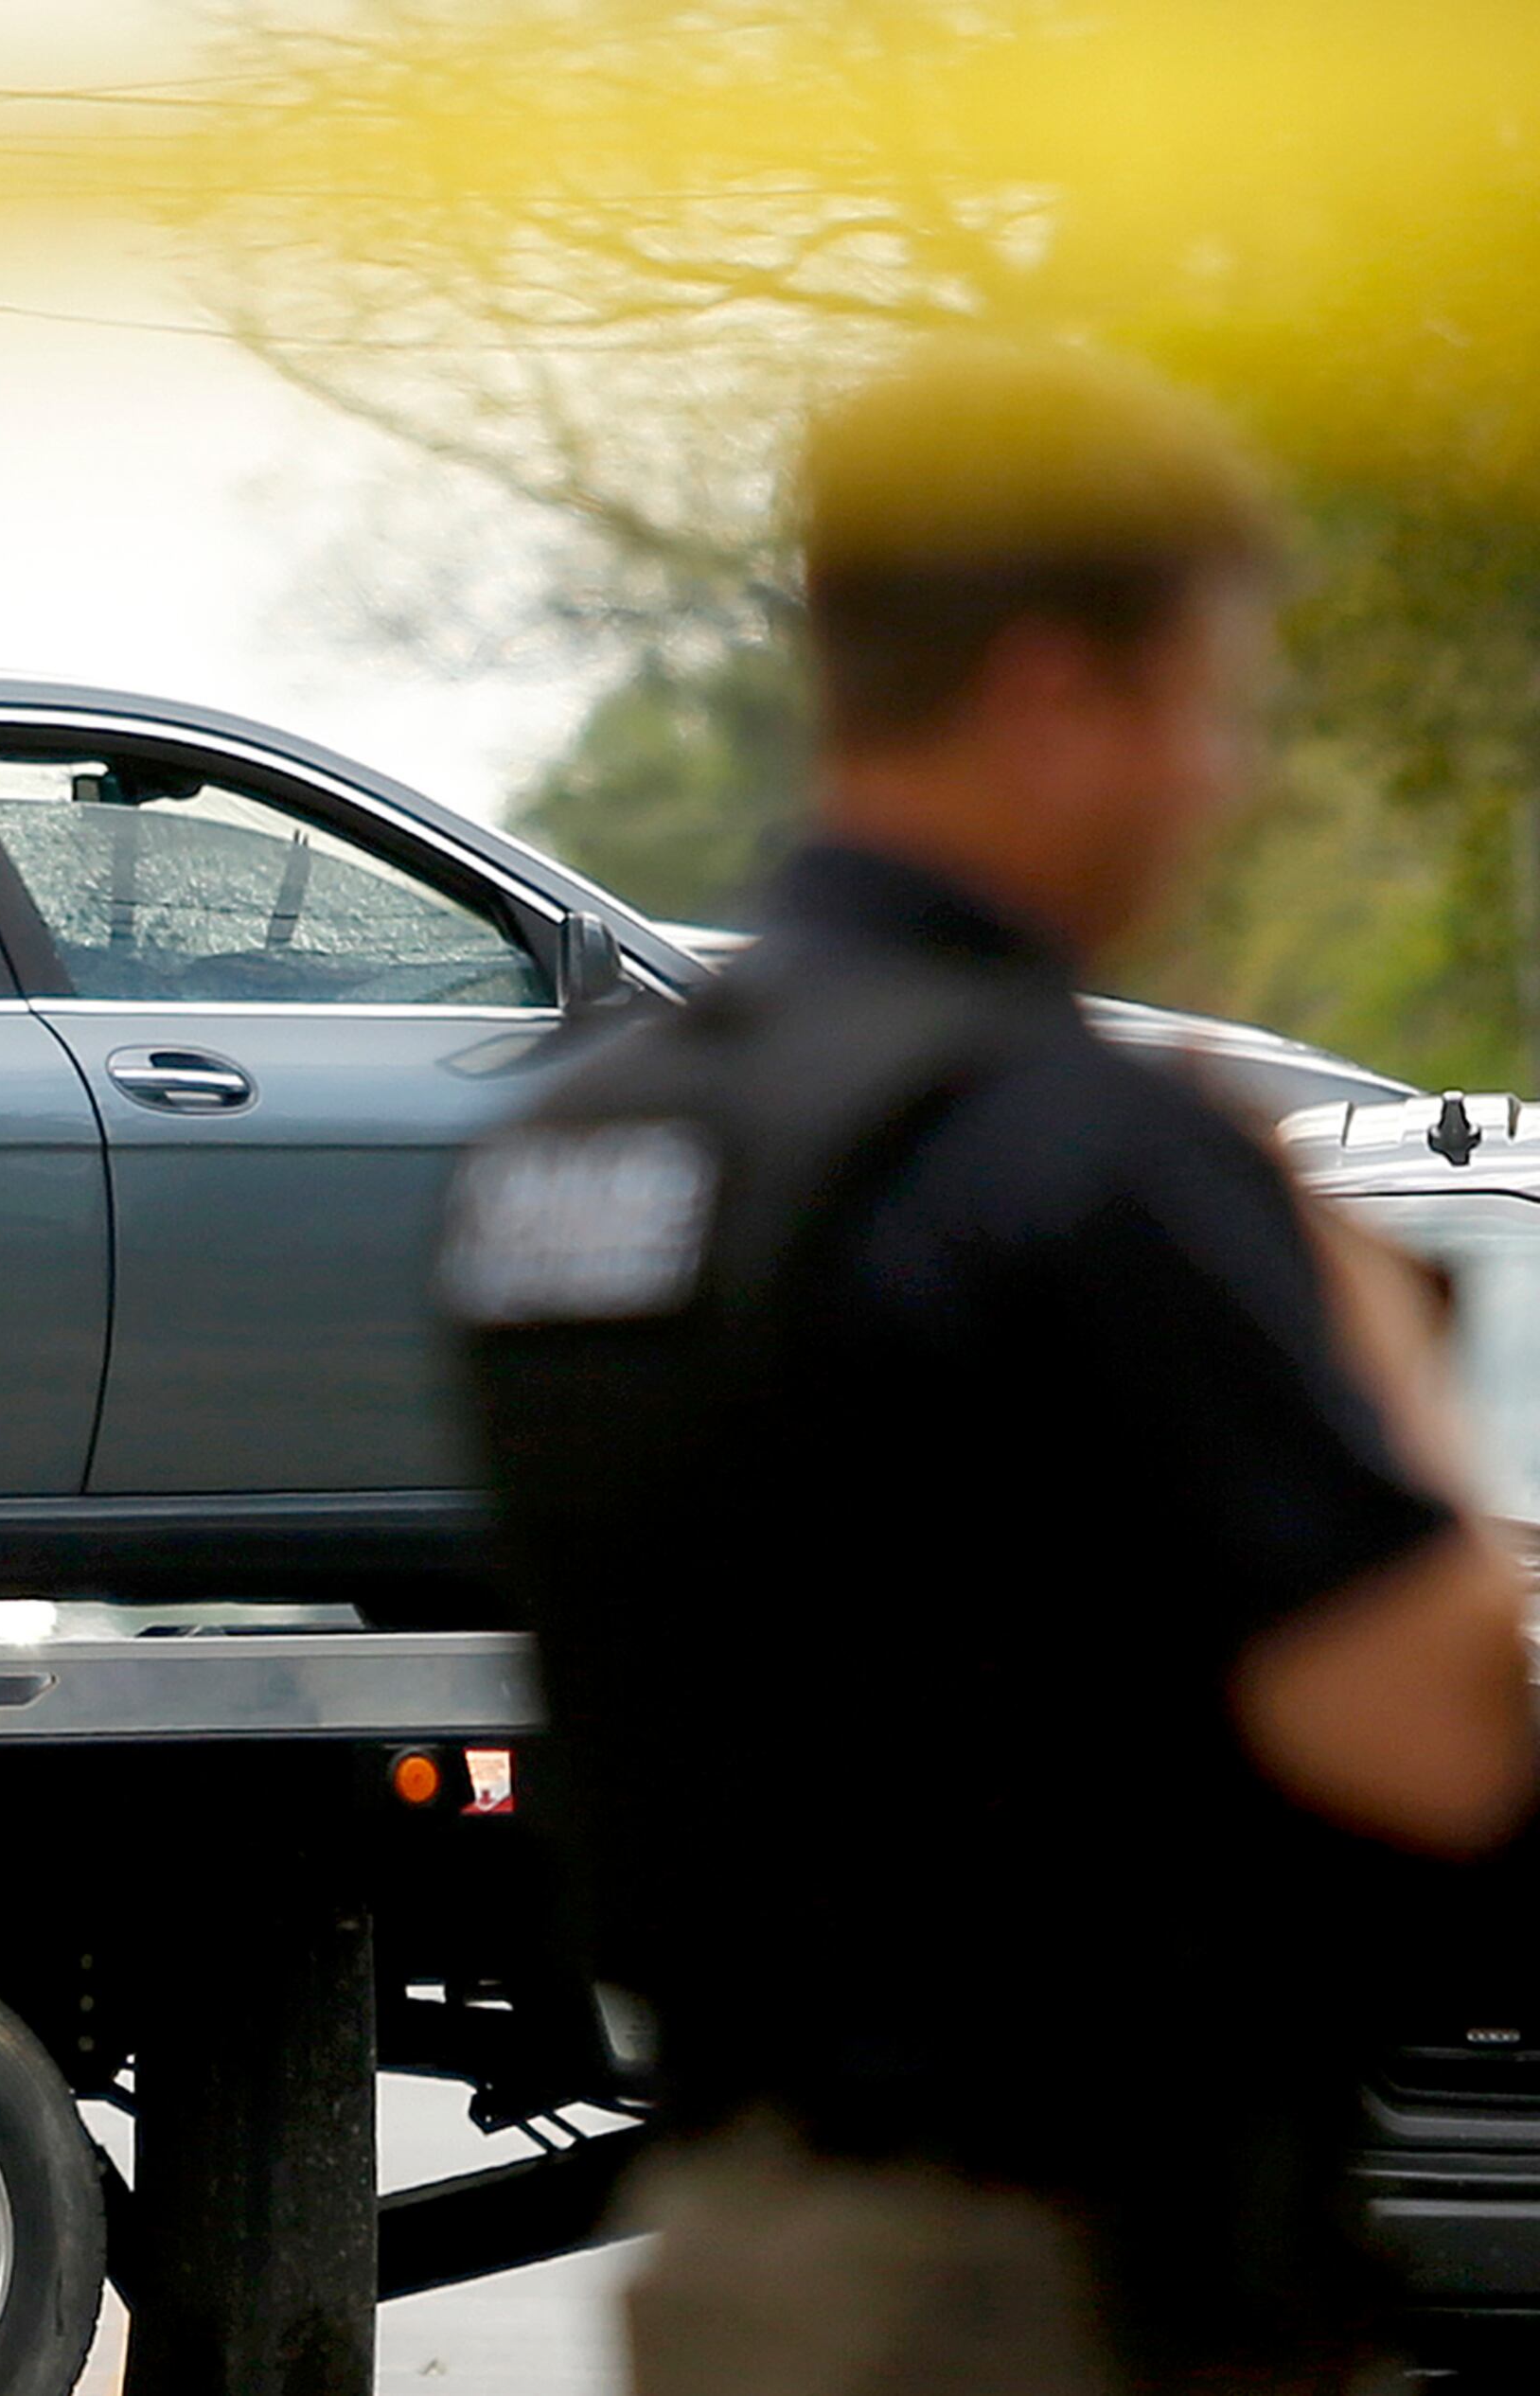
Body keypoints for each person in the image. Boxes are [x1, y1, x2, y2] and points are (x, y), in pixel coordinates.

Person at [442, 341, 1537, 2395]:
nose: (1229, 779)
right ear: (1052, 698)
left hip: (748, 2252)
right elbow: (1439, 1733)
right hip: (1057, 2284)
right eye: (1208, 706)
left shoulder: (578, 1151)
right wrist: (1384, 1350)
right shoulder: (1068, 1149)